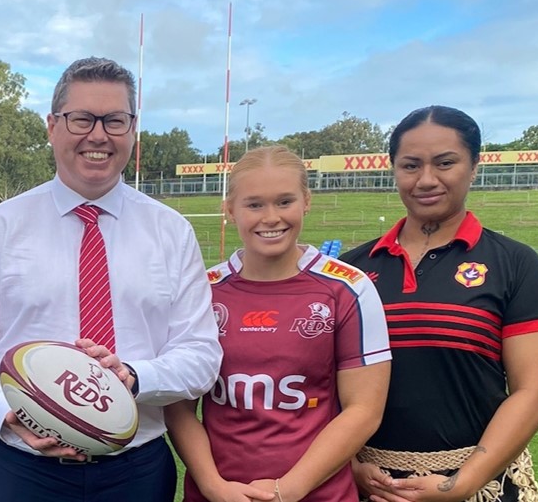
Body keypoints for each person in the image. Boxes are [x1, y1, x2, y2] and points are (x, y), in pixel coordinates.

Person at [0, 56, 223, 502]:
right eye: (82, 118)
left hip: (136, 471)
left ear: (133, 128)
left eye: (115, 120)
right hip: (19, 469)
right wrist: (7, 410)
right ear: (52, 126)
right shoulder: (1, 226)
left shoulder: (170, 231)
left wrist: (134, 377)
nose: (98, 135)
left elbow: (201, 354)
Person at [340, 105, 538, 502]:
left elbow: (535, 393)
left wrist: (461, 482)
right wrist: (349, 466)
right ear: (393, 169)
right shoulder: (350, 272)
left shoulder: (515, 264)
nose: (426, 180)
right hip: (367, 488)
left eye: (445, 163)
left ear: (474, 166)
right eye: (410, 165)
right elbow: (321, 384)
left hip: (479, 486)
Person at [164, 146, 392, 502]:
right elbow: (178, 408)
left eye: (284, 202)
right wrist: (212, 486)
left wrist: (289, 489)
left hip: (316, 494)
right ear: (230, 210)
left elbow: (364, 411)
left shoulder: (349, 288)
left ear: (306, 201)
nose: (271, 218)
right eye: (254, 205)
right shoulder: (202, 291)